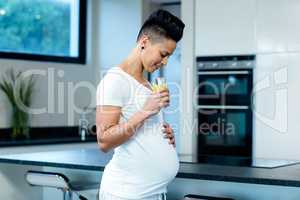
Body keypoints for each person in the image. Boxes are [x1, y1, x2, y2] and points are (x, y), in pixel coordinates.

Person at [96, 9, 185, 200]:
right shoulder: (114, 80)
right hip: (125, 194)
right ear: (144, 42)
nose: (165, 62)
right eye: (163, 54)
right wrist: (145, 111)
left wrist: (164, 137)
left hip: (152, 193)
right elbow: (104, 141)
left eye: (169, 56)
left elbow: (140, 132)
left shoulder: (147, 84)